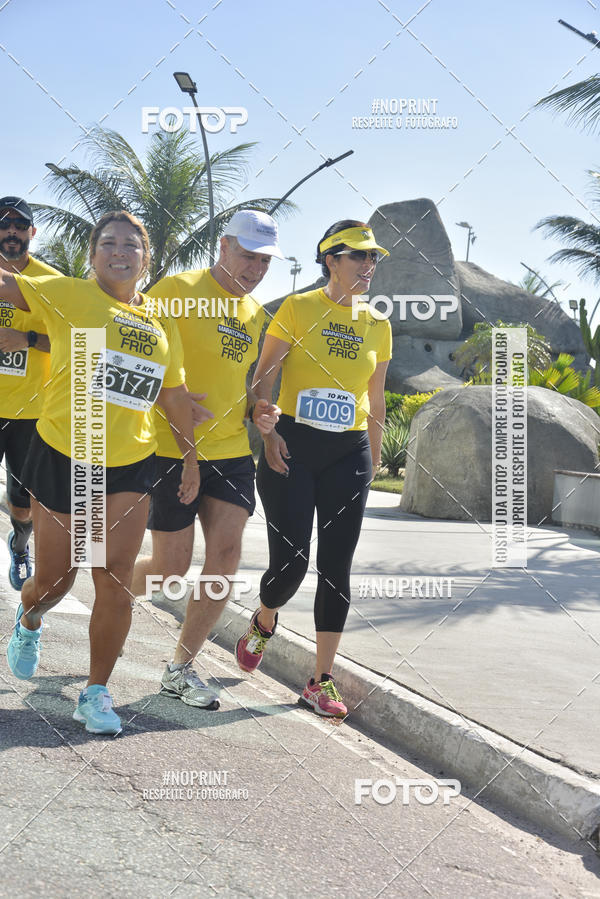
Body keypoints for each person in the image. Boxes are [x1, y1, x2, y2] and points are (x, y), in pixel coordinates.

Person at [1, 210, 200, 735]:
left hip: (131, 463)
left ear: (145, 258)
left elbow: (173, 393)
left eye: (130, 244)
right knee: (53, 580)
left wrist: (190, 456)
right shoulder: (66, 295)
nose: (119, 251)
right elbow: (5, 283)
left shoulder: (160, 322)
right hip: (65, 453)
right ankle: (30, 620)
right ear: (92, 256)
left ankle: (95, 693)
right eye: (107, 242)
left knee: (113, 580)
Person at [236, 220, 392, 718]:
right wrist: (267, 427)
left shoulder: (378, 322)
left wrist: (374, 453)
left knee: (336, 566)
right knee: (291, 565)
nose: (369, 266)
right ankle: (264, 619)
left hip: (349, 453)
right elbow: (266, 372)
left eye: (374, 259)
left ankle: (320, 680)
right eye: (359, 257)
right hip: (293, 445)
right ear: (331, 259)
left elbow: (375, 397)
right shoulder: (299, 308)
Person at [131, 209, 281, 709]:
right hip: (170, 450)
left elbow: (232, 386)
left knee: (226, 557)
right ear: (223, 247)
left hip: (232, 454)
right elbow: (130, 354)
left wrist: (257, 410)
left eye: (264, 261)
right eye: (248, 256)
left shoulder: (254, 314)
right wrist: (160, 394)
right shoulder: (175, 291)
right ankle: (103, 580)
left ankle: (180, 668)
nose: (256, 270)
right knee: (169, 569)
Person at [0, 197, 59, 589]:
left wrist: (27, 337)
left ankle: (20, 545)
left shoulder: (51, 282)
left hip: (29, 412)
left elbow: (74, 340)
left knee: (22, 504)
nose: (11, 232)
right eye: (4, 225)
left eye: (20, 226)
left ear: (32, 233)